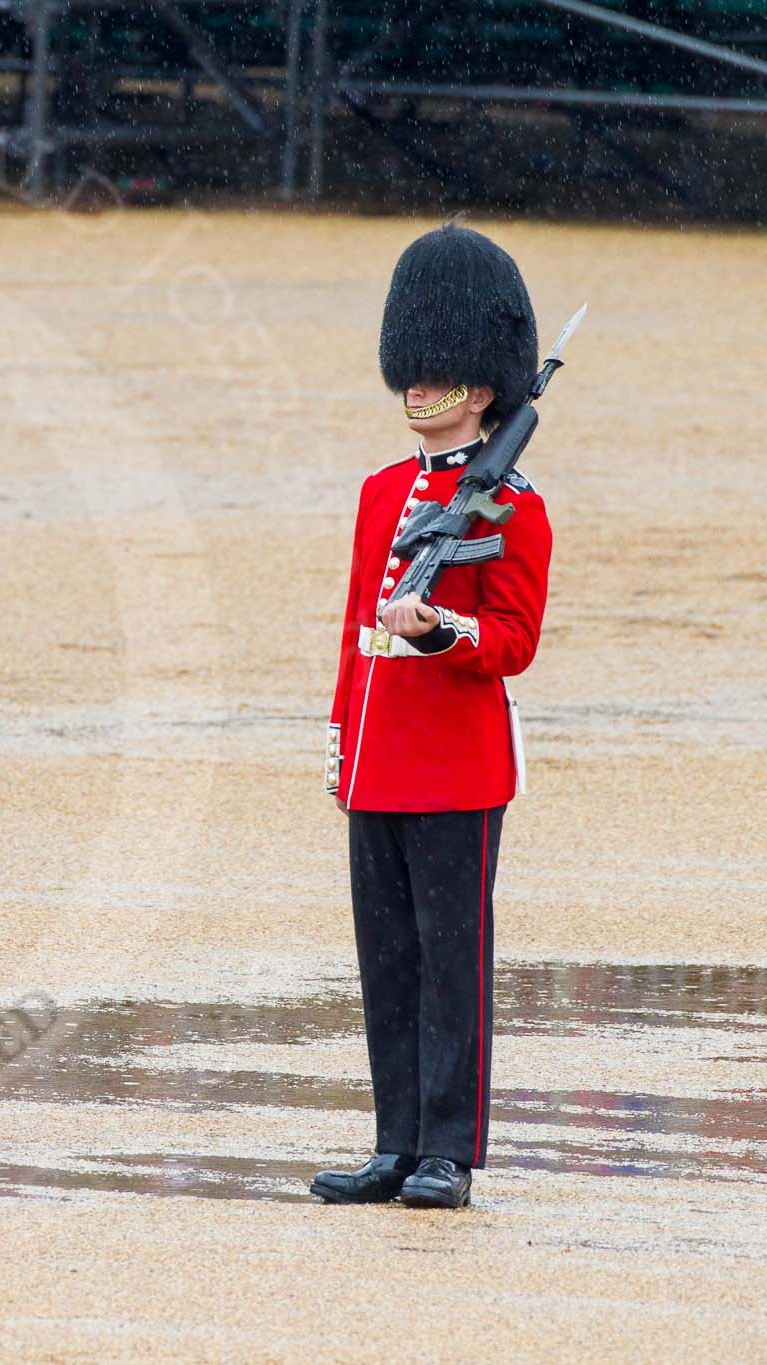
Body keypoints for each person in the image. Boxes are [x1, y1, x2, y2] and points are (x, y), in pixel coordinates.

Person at [312, 224, 553, 1210]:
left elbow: (512, 642)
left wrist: (442, 630)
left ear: (482, 387)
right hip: (380, 761)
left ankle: (447, 1150)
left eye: (437, 371)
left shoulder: (509, 507)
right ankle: (395, 1142)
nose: (416, 386)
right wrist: (342, 743)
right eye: (411, 369)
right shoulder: (383, 492)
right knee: (388, 963)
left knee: (452, 965)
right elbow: (352, 634)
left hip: (455, 766)